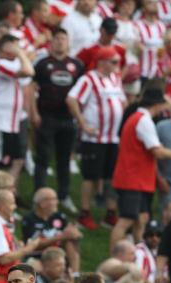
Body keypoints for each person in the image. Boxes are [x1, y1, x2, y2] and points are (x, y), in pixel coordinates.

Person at [112, 81, 171, 250]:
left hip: (137, 178)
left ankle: (140, 254)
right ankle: (116, 255)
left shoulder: (137, 117)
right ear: (157, 105)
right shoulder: (144, 121)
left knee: (141, 218)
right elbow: (158, 152)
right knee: (126, 219)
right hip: (133, 178)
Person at [66, 46, 126, 231]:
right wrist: (82, 123)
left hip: (112, 137)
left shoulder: (115, 78)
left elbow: (122, 100)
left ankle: (110, 212)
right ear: (102, 62)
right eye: (114, 62)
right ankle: (85, 212)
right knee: (90, 176)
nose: (118, 65)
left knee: (111, 177)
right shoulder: (89, 79)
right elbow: (72, 99)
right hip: (94, 138)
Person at [30, 28, 84, 212]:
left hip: (68, 118)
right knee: (43, 158)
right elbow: (31, 87)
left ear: (68, 42)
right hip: (47, 116)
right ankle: (39, 195)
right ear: (51, 42)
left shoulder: (76, 65)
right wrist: (34, 113)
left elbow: (82, 91)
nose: (60, 42)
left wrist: (79, 115)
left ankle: (64, 195)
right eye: (57, 38)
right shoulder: (43, 64)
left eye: (63, 38)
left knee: (64, 159)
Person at [0, 34, 34, 180]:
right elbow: (28, 71)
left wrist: (20, 55)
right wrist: (21, 54)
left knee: (17, 159)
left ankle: (9, 193)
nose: (18, 49)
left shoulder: (11, 63)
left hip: (11, 122)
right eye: (15, 45)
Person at [22, 187, 83, 276]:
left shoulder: (59, 217)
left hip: (59, 255)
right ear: (42, 203)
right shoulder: (29, 219)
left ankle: (75, 275)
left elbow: (75, 234)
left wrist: (74, 233)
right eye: (53, 199)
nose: (57, 202)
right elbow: (34, 244)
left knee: (71, 241)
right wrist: (61, 237)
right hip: (38, 256)